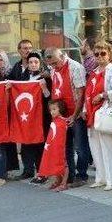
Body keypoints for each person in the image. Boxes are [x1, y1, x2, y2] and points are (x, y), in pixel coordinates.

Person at [44, 47, 88, 187]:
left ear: (63, 56)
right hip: (61, 116)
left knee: (80, 147)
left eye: (56, 63)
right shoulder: (53, 69)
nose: (54, 67)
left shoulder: (75, 67)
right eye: (50, 64)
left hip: (75, 114)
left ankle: (82, 175)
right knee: (65, 147)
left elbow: (81, 93)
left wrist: (74, 116)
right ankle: (69, 176)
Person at [84, 40, 112, 190]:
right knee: (95, 146)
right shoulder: (93, 72)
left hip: (105, 111)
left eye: (103, 53)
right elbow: (88, 93)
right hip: (92, 113)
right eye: (96, 53)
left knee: (108, 146)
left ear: (110, 54)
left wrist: (103, 95)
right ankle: (101, 177)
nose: (99, 56)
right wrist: (84, 110)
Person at [24, 52, 52, 184]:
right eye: (31, 62)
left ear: (40, 63)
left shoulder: (46, 78)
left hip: (42, 117)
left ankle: (44, 172)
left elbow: (50, 98)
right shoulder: (24, 77)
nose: (33, 64)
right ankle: (36, 170)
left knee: (42, 145)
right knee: (33, 144)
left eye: (36, 62)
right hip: (29, 117)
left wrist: (44, 88)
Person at [39, 100, 69, 192]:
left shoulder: (63, 121)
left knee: (63, 164)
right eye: (51, 110)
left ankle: (64, 183)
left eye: (54, 109)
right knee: (55, 163)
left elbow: (62, 134)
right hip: (53, 146)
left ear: (60, 109)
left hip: (60, 147)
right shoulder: (54, 121)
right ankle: (58, 180)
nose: (52, 111)